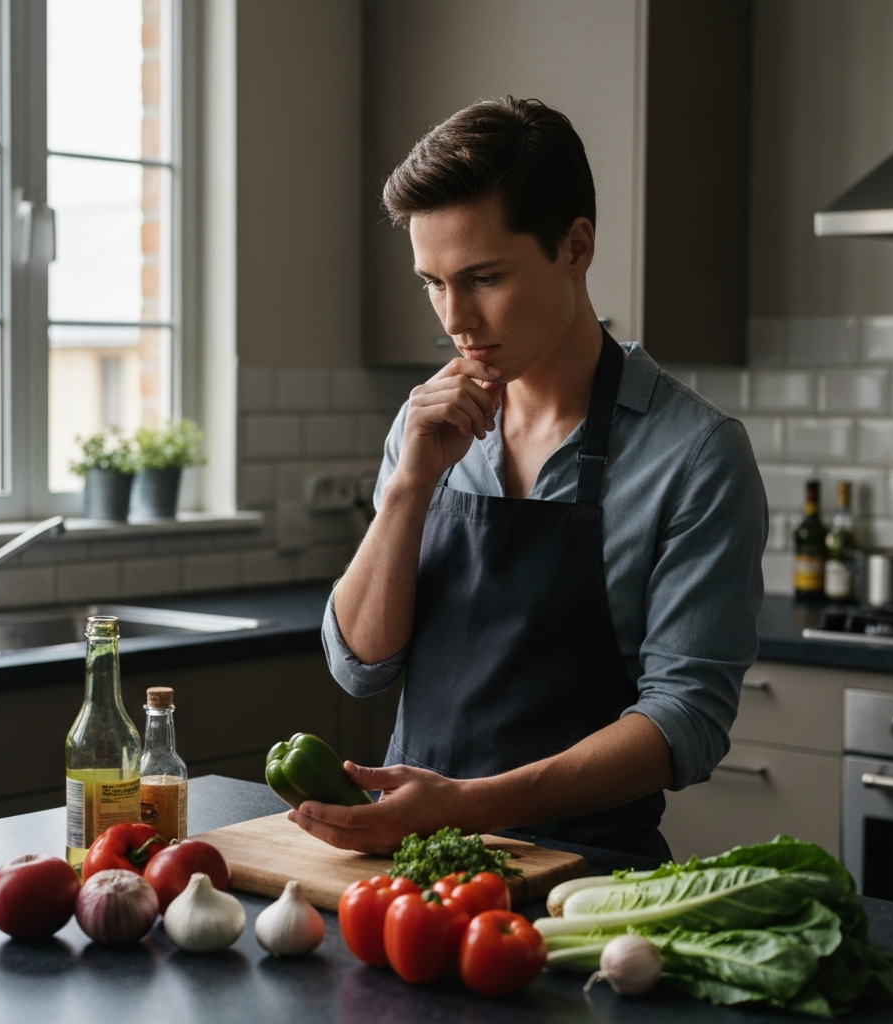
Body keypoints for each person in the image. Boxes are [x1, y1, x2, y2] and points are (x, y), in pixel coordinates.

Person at [289, 97, 767, 861]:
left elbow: (687, 720)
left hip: (589, 890)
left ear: (575, 247)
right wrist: (411, 485)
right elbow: (360, 665)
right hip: (420, 871)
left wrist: (467, 805)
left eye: (482, 277)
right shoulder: (427, 428)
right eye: (433, 283)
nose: (455, 318)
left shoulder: (696, 455)